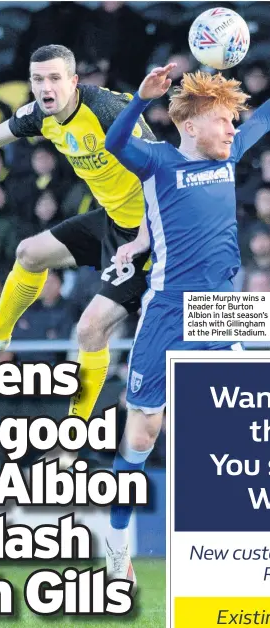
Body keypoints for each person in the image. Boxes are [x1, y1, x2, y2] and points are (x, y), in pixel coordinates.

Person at [0, 44, 156, 466]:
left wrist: (143, 238)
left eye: (55, 78)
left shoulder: (107, 109)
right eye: (38, 79)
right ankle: (0, 326)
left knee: (90, 330)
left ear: (75, 81)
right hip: (113, 218)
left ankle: (71, 443)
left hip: (151, 230)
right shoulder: (39, 114)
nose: (45, 87)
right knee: (29, 253)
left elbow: (160, 175)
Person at [104, 66, 270, 587]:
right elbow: (114, 144)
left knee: (239, 429)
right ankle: (115, 549)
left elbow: (265, 117)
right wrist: (140, 99)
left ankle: (237, 558)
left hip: (224, 306)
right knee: (143, 429)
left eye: (232, 123)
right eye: (222, 121)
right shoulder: (158, 162)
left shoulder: (233, 154)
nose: (231, 130)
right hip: (169, 309)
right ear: (193, 125)